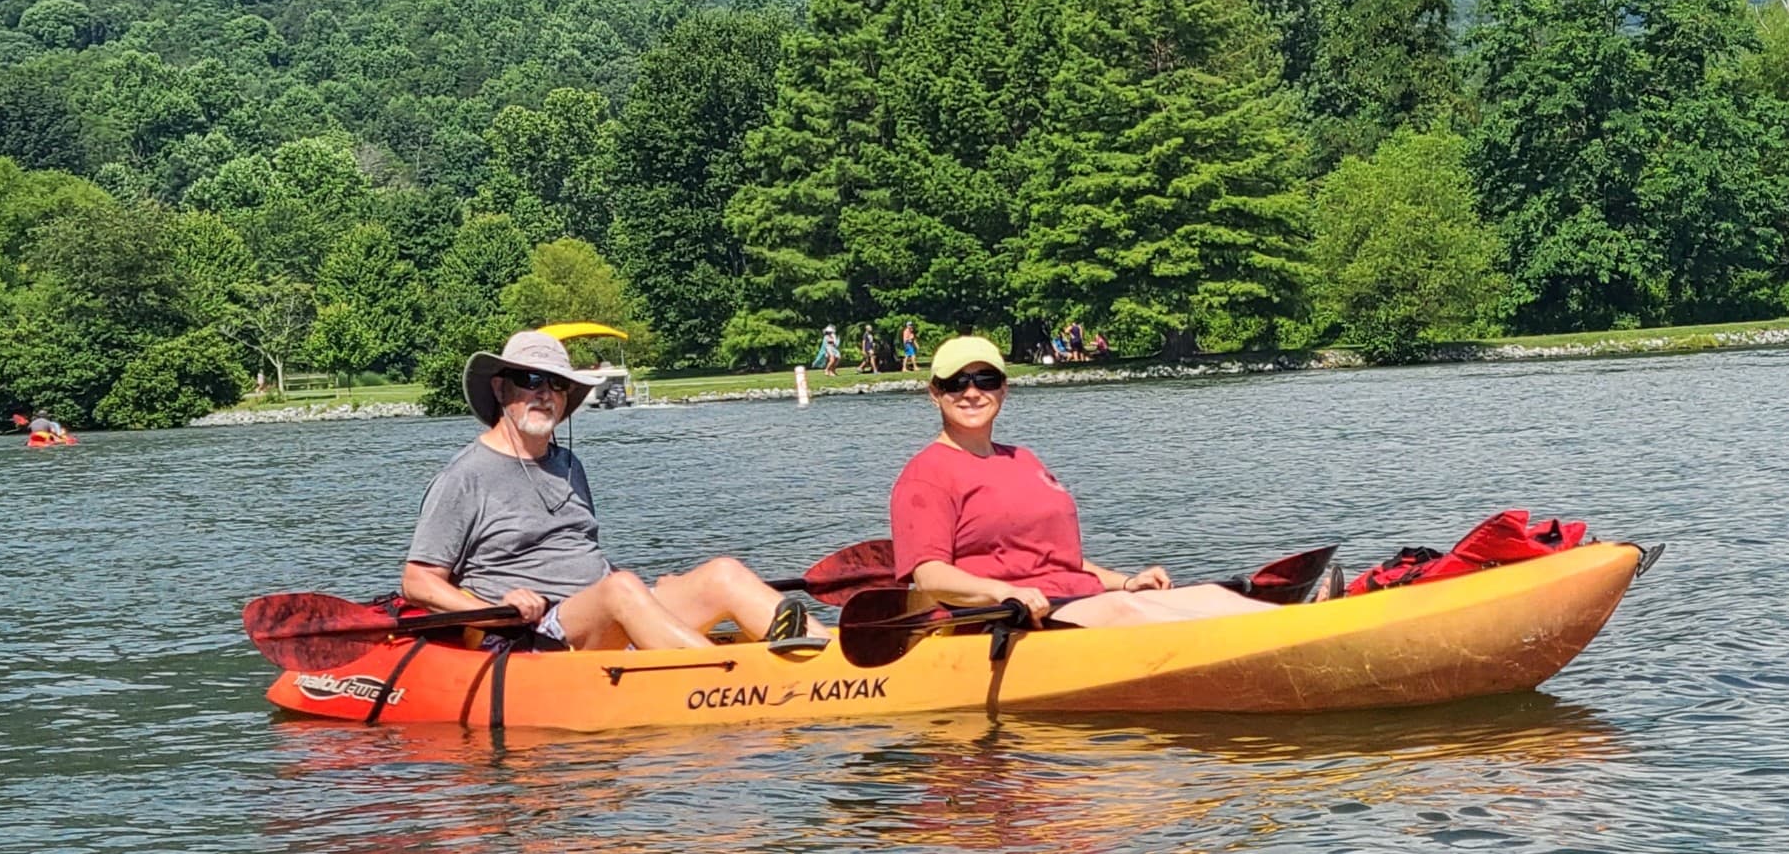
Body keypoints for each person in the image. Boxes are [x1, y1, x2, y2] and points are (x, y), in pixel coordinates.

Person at [402, 330, 814, 649]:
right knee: (622, 590)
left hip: (606, 612)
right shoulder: (464, 477)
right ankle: (722, 675)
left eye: (557, 384)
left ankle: (838, 660)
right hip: (536, 635)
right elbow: (417, 582)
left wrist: (651, 590)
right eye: (530, 380)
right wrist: (489, 610)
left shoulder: (568, 465)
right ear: (500, 389)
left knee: (722, 574)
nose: (544, 393)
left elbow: (579, 553)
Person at [889, 336, 1303, 629]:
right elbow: (930, 577)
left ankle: (1305, 627)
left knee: (1206, 597)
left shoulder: (1022, 459)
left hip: (1078, 598)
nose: (972, 393)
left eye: (985, 380)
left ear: (1003, 389)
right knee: (1127, 611)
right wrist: (1001, 592)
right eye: (956, 383)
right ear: (934, 394)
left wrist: (1126, 581)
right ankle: (1280, 643)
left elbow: (1056, 559)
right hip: (1015, 620)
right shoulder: (926, 474)